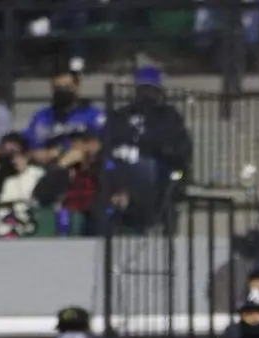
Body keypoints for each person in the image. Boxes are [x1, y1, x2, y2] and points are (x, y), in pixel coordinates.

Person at [106, 66, 192, 230]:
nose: (146, 94)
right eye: (143, 89)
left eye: (150, 89)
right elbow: (110, 142)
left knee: (152, 170)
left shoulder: (168, 115)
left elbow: (180, 148)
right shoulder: (122, 115)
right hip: (122, 168)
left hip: (157, 168)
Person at [24, 67, 105, 167]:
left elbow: (96, 145)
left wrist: (61, 151)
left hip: (78, 169)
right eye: (58, 89)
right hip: (43, 167)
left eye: (66, 87)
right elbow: (29, 145)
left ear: (76, 87)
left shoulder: (93, 114)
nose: (62, 92)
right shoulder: (42, 116)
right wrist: (37, 154)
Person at [32, 129, 104, 234]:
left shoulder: (105, 168)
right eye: (73, 143)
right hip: (66, 222)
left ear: (95, 145)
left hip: (95, 224)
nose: (75, 147)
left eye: (81, 143)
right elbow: (40, 195)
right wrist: (61, 166)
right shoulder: (66, 170)